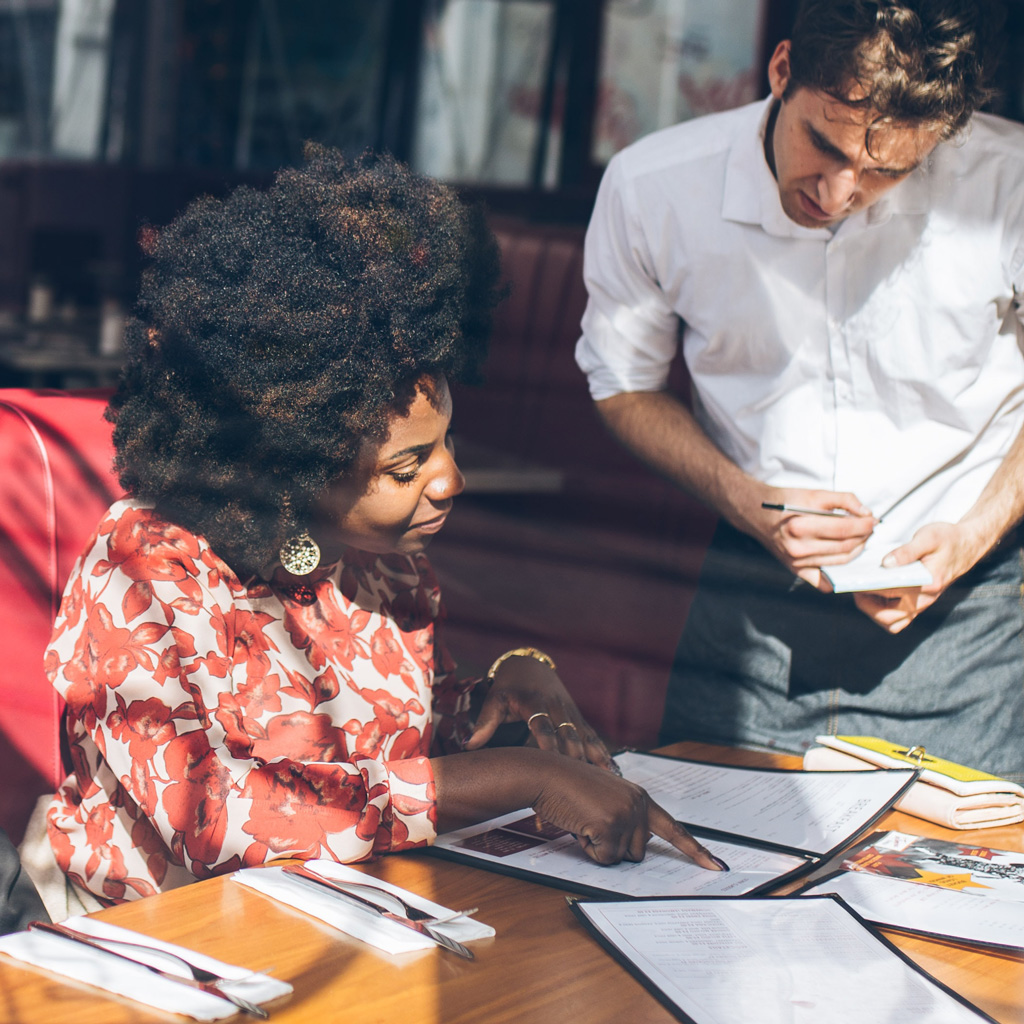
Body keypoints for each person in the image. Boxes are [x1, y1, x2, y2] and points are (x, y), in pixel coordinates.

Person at [31, 147, 721, 915]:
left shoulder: (379, 566)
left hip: (331, 921)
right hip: (151, 944)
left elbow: (390, 747)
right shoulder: (142, 571)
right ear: (293, 462)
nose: (451, 480)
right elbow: (221, 819)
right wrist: (526, 778)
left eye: (449, 442)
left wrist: (502, 693)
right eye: (408, 466)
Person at [575, 0, 1024, 780]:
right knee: (706, 872)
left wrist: (972, 536)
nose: (841, 191)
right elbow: (622, 384)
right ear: (781, 70)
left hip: (970, 623)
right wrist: (746, 501)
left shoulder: (1009, 185)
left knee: (952, 888)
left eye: (888, 170)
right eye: (825, 144)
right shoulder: (652, 188)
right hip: (751, 605)